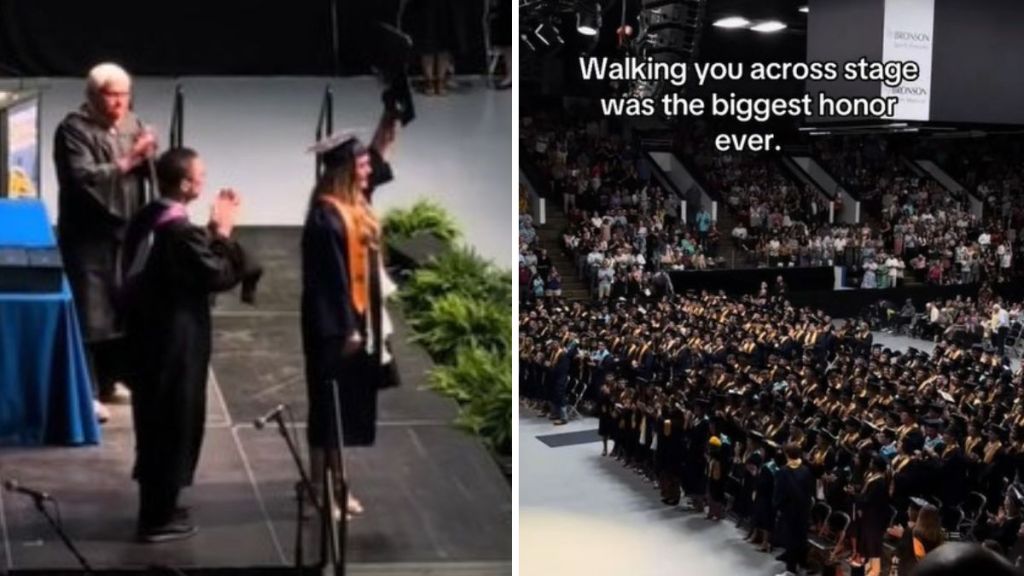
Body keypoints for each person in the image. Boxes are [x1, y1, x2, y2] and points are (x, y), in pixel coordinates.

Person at [121, 148, 253, 542]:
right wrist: (224, 234)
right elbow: (216, 275)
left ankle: (160, 505)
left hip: (149, 337)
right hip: (173, 345)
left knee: (157, 423)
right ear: (184, 184)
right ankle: (156, 519)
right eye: (200, 175)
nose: (204, 181)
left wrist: (210, 233)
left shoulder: (148, 217)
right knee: (173, 424)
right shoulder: (178, 232)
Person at [301, 117, 397, 521]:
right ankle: (322, 490)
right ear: (344, 171)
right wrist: (347, 328)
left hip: (363, 321)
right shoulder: (327, 218)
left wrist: (392, 114)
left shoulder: (356, 202)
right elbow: (331, 283)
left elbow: (383, 153)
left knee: (344, 408)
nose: (368, 170)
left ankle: (336, 485)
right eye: (360, 166)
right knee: (328, 408)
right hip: (335, 327)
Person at [54, 62, 158, 423]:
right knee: (90, 311)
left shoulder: (133, 124)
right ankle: (87, 389)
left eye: (124, 94)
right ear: (93, 95)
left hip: (127, 232)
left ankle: (114, 380)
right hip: (90, 235)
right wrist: (130, 159)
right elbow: (82, 178)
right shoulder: (74, 130)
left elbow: (146, 173)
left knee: (123, 306)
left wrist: (149, 157)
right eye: (111, 94)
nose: (119, 102)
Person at [773, 442, 814, 576]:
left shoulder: (784, 471)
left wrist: (778, 506)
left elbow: (779, 493)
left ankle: (791, 570)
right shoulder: (806, 470)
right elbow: (809, 491)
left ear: (786, 455)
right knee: (800, 538)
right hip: (803, 510)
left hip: (789, 511)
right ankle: (802, 564)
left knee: (790, 539)